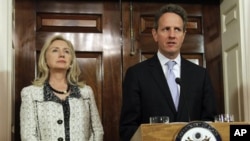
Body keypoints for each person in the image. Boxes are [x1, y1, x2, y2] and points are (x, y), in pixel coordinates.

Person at [119, 4, 217, 140]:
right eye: (166, 29)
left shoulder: (200, 75)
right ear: (155, 34)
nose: (172, 35)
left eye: (177, 29)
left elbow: (210, 122)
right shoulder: (136, 75)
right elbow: (128, 128)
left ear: (183, 35)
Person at [20, 35, 104, 141]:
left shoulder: (86, 92)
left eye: (66, 51)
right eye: (55, 50)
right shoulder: (30, 93)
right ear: (45, 59)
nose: (62, 55)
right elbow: (28, 135)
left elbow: (97, 130)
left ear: (71, 61)